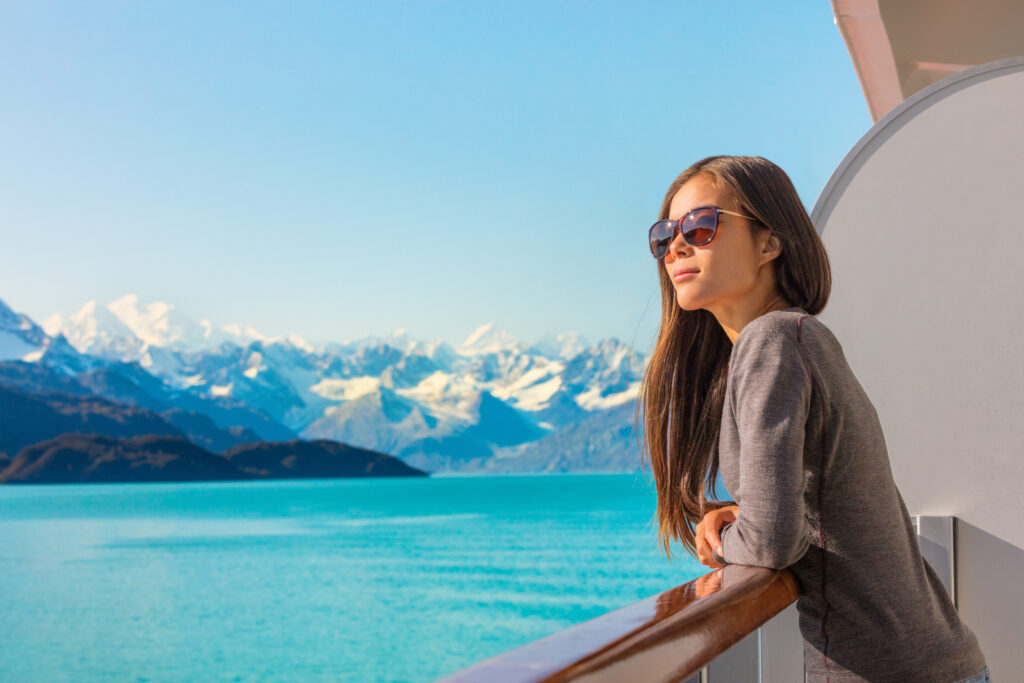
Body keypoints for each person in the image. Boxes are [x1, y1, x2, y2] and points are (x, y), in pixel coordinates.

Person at [635, 155, 990, 682]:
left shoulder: (773, 340)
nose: (677, 246)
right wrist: (740, 512)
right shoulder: (789, 339)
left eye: (702, 226)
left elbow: (773, 541)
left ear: (769, 242)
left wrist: (731, 536)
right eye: (665, 234)